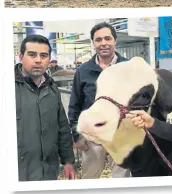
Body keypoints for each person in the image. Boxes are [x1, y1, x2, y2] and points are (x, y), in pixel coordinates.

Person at [68, 22, 130, 179]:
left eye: (108, 38)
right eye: (98, 40)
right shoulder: (83, 71)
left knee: (121, 181)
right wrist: (77, 136)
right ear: (93, 43)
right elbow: (74, 106)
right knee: (90, 178)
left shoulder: (128, 67)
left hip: (121, 136)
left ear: (115, 40)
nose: (103, 43)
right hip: (92, 138)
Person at [14, 35, 75, 181]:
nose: (38, 60)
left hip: (49, 171)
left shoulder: (52, 90)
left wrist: (68, 161)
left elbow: (62, 128)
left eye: (43, 55)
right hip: (18, 172)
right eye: (32, 54)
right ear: (21, 56)